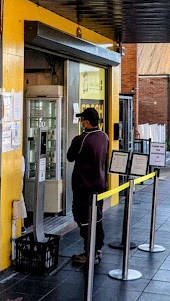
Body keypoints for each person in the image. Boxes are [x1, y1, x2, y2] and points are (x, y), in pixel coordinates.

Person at [67, 107, 109, 265]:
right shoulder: (104, 137)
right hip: (99, 185)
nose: (81, 122)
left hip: (83, 187)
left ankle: (89, 253)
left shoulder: (80, 139)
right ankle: (97, 249)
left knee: (83, 219)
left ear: (86, 121)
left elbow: (70, 157)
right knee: (97, 218)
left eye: (82, 120)